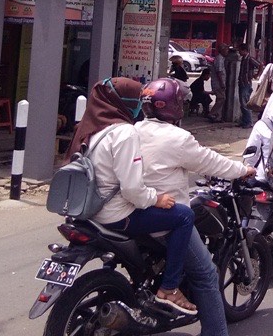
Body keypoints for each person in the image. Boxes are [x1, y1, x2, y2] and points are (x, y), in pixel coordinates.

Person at [67, 76, 198, 315]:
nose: (140, 106)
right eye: (137, 100)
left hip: (92, 212)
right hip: (116, 215)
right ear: (124, 102)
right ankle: (169, 287)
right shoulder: (125, 133)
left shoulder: (94, 130)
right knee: (184, 216)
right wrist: (156, 199)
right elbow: (132, 190)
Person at [137, 79, 256, 336]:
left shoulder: (133, 130)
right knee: (207, 275)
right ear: (176, 106)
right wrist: (242, 170)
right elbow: (209, 162)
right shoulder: (178, 138)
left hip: (135, 211)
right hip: (165, 218)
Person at [236, 44, 261, 129]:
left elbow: (260, 65)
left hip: (246, 83)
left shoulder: (250, 59)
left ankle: (249, 122)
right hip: (242, 83)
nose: (239, 52)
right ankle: (244, 121)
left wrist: (256, 75)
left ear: (244, 50)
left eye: (240, 50)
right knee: (242, 103)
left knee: (245, 103)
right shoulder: (243, 59)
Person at [207, 44, 229, 122]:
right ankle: (212, 113)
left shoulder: (222, 58)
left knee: (219, 99)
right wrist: (222, 83)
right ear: (222, 50)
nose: (227, 52)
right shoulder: (219, 59)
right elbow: (219, 72)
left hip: (219, 82)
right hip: (218, 83)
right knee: (221, 98)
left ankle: (217, 117)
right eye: (226, 50)